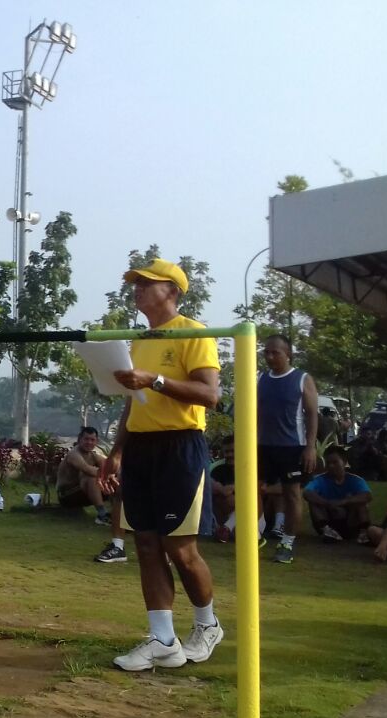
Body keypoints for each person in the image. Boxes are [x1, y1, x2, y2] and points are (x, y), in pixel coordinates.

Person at [101, 258, 223, 672]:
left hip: (179, 446)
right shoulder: (138, 340)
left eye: (146, 283)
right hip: (141, 447)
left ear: (172, 290)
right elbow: (132, 403)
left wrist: (155, 379)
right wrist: (117, 452)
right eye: (135, 283)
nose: (137, 289)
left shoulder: (193, 332)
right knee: (147, 543)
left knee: (180, 548)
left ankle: (207, 624)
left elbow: (210, 395)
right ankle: (163, 640)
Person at [257, 334, 319, 564]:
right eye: (266, 352)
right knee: (252, 489)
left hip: (292, 446)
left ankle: (287, 542)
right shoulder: (261, 378)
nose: (270, 356)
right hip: (263, 445)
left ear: (288, 354)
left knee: (292, 495)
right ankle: (257, 532)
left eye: (275, 352)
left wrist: (310, 447)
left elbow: (312, 414)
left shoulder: (302, 378)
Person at [302, 446, 372, 542]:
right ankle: (327, 531)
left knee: (360, 501)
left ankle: (363, 532)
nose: (331, 466)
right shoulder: (319, 479)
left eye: (335, 462)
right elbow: (307, 493)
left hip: (350, 521)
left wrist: (343, 502)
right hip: (329, 519)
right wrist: (328, 503)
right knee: (313, 501)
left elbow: (367, 496)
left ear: (344, 462)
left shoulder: (356, 480)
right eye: (328, 463)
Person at [209, 435, 266, 544]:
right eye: (227, 452)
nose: (230, 455)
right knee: (221, 497)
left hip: (253, 518)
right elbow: (217, 490)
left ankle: (227, 528)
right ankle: (227, 528)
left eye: (233, 451)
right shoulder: (218, 469)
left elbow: (262, 489)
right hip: (226, 514)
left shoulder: (253, 467)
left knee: (254, 496)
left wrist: (234, 489)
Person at [56, 426, 111, 525]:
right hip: (67, 496)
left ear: (96, 442)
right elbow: (87, 469)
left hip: (81, 492)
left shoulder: (93, 455)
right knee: (91, 477)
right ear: (79, 439)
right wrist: (109, 475)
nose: (89, 442)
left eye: (92, 440)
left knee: (118, 477)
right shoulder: (74, 454)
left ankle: (119, 514)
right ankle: (102, 515)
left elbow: (110, 465)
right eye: (86, 439)